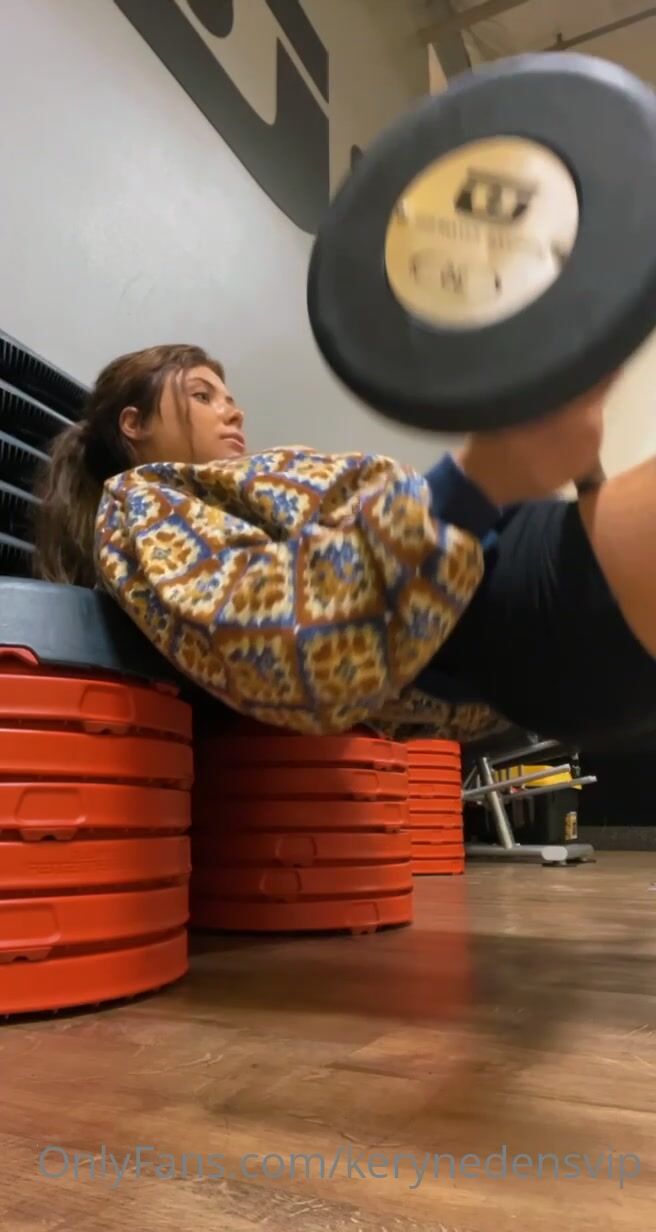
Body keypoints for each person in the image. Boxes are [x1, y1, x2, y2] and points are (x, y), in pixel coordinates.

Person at [32, 343, 656, 753]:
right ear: (134, 424)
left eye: (229, 397)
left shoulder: (222, 495)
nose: (233, 411)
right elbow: (278, 638)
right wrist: (478, 481)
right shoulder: (138, 501)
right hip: (502, 610)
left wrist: (580, 476)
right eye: (202, 395)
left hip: (524, 625)